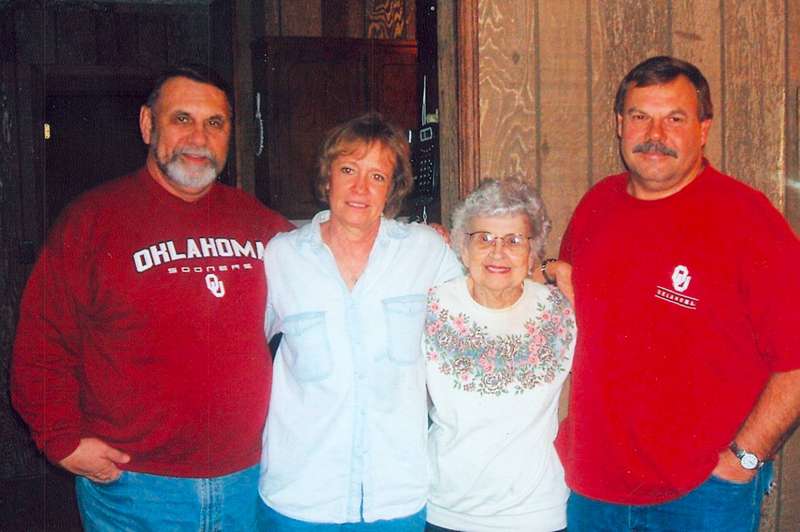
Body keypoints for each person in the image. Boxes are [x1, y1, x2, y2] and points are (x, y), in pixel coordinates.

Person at [11, 64, 294, 530]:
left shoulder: (259, 222)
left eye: (215, 123)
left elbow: (331, 272)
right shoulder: (92, 220)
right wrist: (61, 440)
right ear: (147, 124)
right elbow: (43, 341)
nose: (199, 138)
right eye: (182, 119)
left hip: (248, 479)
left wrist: (405, 243)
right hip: (135, 488)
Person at [557, 55, 800, 531]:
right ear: (619, 124)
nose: (655, 135)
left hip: (701, 495)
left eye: (675, 119)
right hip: (591, 491)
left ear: (703, 129)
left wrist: (744, 460)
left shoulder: (747, 220)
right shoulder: (596, 207)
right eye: (640, 116)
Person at [258, 113, 464, 530]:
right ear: (327, 177)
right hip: (300, 498)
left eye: (377, 176)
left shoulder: (425, 251)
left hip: (396, 499)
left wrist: (547, 271)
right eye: (349, 170)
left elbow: (480, 310)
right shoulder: (281, 257)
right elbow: (233, 350)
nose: (360, 188)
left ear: (392, 189)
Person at [423, 177, 576, 532]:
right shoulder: (431, 305)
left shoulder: (559, 310)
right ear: (463, 247)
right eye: (484, 238)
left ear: (532, 252)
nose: (498, 252)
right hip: (446, 511)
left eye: (514, 240)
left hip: (536, 514)